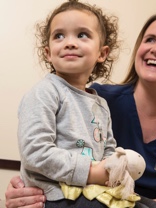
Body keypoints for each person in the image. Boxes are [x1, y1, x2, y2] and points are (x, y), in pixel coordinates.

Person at [5, 9, 156, 208]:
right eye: (150, 39)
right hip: (86, 194)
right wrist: (22, 188)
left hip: (113, 195)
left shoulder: (98, 105)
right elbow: (39, 153)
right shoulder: (101, 97)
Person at [14, 0, 120, 207]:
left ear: (102, 53)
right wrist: (91, 172)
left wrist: (115, 167)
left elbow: (108, 148)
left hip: (91, 190)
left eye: (82, 35)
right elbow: (35, 152)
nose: (69, 42)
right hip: (55, 194)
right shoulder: (44, 93)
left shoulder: (101, 104)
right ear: (48, 52)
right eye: (59, 36)